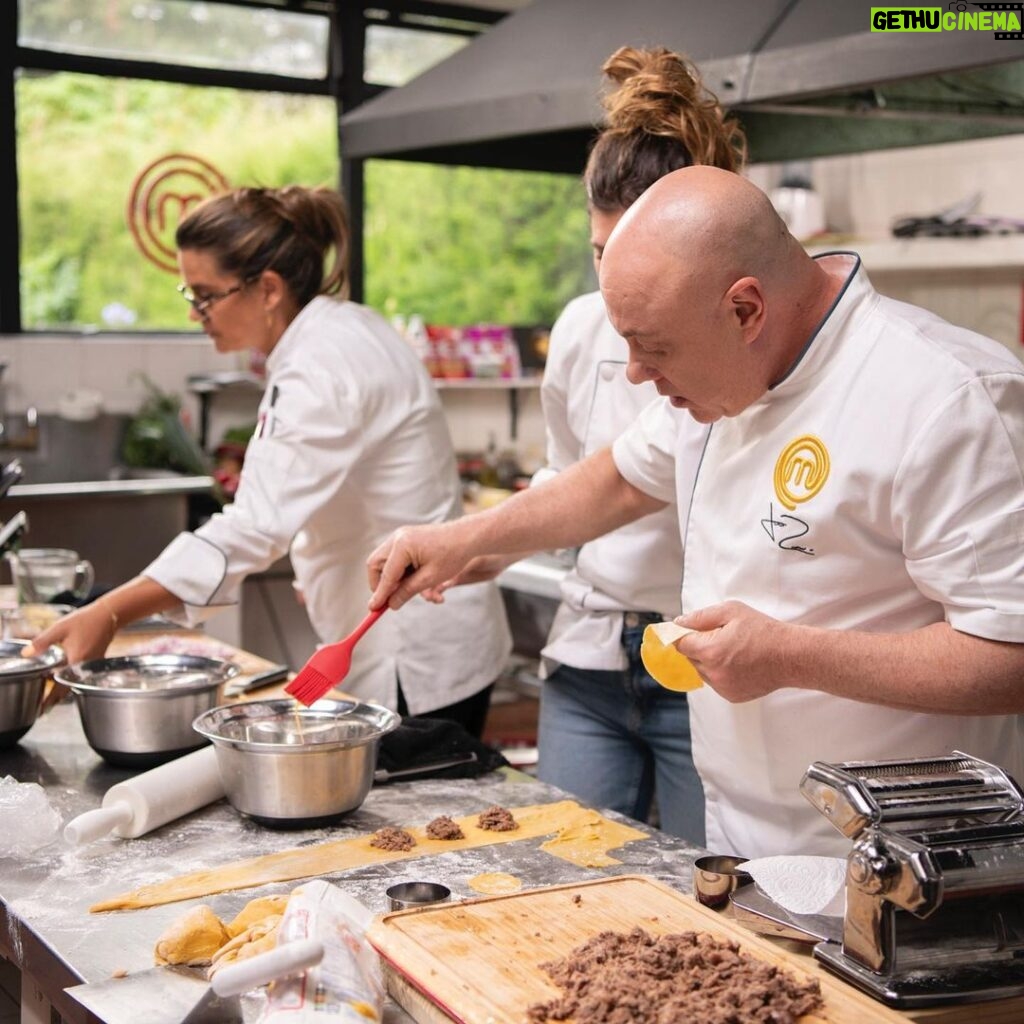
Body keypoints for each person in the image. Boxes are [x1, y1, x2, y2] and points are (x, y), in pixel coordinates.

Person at [368, 166, 1024, 856]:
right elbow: (617, 481)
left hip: (907, 855)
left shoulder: (951, 399)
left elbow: (1009, 654)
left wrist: (791, 656)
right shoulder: (714, 384)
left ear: (745, 310)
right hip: (744, 838)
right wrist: (458, 541)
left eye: (653, 347)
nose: (634, 374)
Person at [32, 185, 511, 737]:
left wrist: (108, 612)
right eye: (189, 294)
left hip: (413, 653)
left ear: (267, 289)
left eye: (206, 296)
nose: (195, 314)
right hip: (421, 629)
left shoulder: (320, 363)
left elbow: (254, 526)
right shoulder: (346, 327)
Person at [522, 47, 743, 842]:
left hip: (705, 667)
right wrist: (485, 542)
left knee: (704, 909)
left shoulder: (746, 342)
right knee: (562, 881)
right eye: (598, 255)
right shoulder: (582, 328)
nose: (616, 288)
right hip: (589, 656)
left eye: (636, 257)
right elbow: (569, 469)